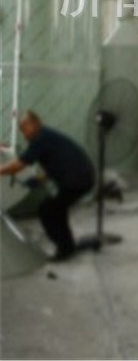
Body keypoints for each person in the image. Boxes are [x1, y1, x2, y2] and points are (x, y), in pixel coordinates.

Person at [0, 110, 95, 261]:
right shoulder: (47, 136)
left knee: (47, 210)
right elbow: (56, 164)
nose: (24, 134)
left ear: (37, 123)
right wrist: (38, 179)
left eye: (26, 128)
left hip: (77, 180)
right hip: (82, 177)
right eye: (22, 130)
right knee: (57, 209)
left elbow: (18, 166)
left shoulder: (40, 138)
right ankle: (67, 245)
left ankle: (65, 248)